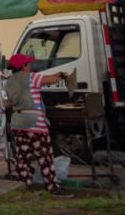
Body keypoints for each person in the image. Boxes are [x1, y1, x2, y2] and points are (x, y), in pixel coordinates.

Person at [5, 53, 74, 197]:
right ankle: (53, 188)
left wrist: (60, 74)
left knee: (22, 157)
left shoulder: (9, 82)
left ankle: (24, 186)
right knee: (45, 156)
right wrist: (63, 75)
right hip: (35, 123)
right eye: (28, 64)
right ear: (23, 66)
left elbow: (11, 102)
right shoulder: (31, 77)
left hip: (18, 122)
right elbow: (50, 80)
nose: (30, 66)